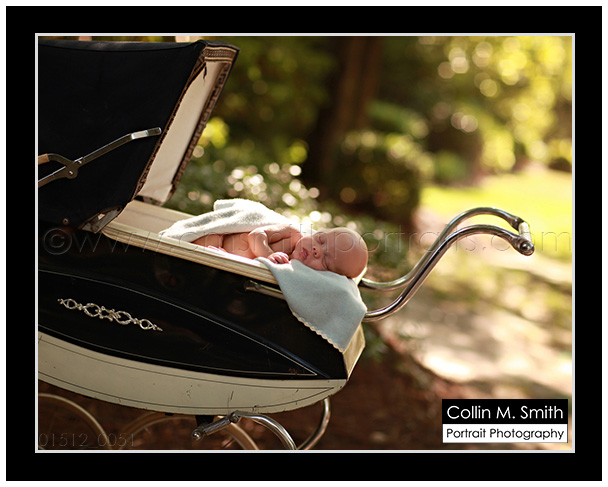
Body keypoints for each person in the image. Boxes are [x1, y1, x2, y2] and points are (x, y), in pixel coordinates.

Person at [192, 224, 368, 279]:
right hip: (221, 240)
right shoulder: (293, 235)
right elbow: (256, 234)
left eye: (325, 260)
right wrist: (267, 254)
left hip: (226, 264)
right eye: (320, 240)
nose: (317, 250)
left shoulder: (294, 273)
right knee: (209, 240)